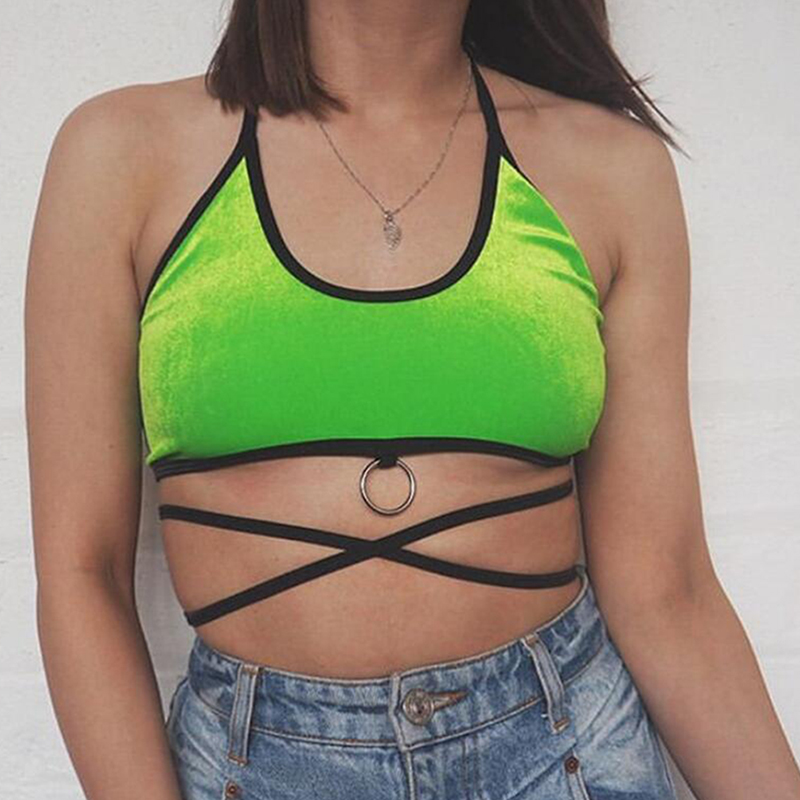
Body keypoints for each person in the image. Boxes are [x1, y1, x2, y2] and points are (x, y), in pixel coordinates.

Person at [25, 1, 800, 799]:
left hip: (566, 757)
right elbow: (83, 572)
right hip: (251, 771)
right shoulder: (120, 154)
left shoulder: (611, 167)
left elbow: (666, 589)